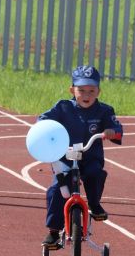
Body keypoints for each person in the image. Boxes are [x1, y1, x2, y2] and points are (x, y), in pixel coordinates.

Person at [38, 65, 123, 246]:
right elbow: (43, 119)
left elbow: (116, 128)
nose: (86, 95)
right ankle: (53, 231)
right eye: (81, 90)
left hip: (90, 156)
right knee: (56, 190)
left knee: (96, 174)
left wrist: (111, 131)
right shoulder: (63, 107)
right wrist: (45, 126)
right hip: (66, 158)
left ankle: (93, 203)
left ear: (98, 91)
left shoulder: (104, 111)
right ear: (72, 90)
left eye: (91, 91)